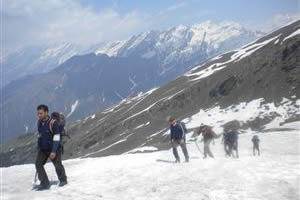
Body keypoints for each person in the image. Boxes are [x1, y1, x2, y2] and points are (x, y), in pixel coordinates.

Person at [35, 105, 67, 191]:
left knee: (57, 165)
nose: (39, 115)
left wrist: (53, 151)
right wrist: (39, 146)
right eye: (38, 113)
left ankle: (63, 180)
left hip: (54, 149)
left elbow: (57, 137)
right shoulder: (39, 122)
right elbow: (40, 135)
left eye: (40, 113)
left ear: (46, 112)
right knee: (38, 164)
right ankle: (45, 183)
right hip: (43, 149)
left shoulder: (53, 123)